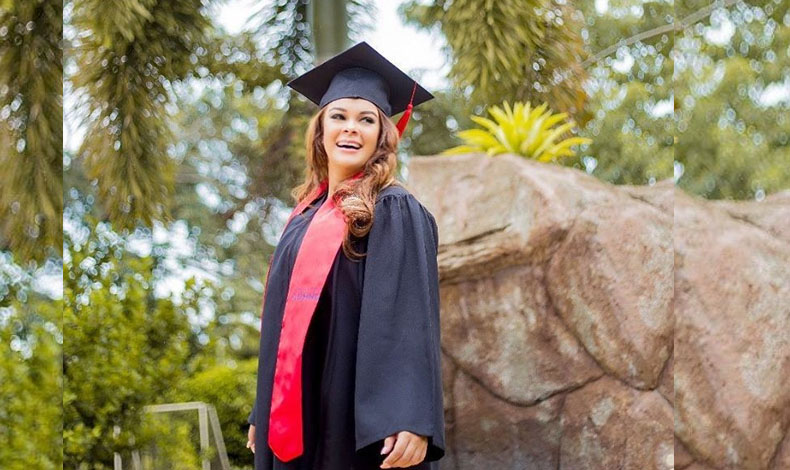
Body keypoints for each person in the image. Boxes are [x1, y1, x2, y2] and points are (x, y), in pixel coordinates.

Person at [245, 41, 446, 470]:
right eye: (338, 117)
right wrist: (263, 408)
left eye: (366, 119)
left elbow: (409, 316)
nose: (350, 128)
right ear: (320, 132)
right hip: (298, 412)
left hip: (355, 416)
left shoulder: (392, 209)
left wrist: (408, 414)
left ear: (381, 135)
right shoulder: (302, 216)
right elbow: (283, 325)